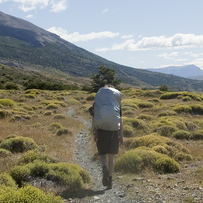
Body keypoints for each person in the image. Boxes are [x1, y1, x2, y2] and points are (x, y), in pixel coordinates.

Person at [89, 85, 123, 189]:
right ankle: (110, 179)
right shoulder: (116, 103)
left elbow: (94, 119)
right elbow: (120, 120)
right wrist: (121, 134)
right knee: (111, 156)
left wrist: (95, 133)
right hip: (114, 131)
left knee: (102, 155)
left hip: (101, 131)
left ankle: (104, 168)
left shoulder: (98, 102)